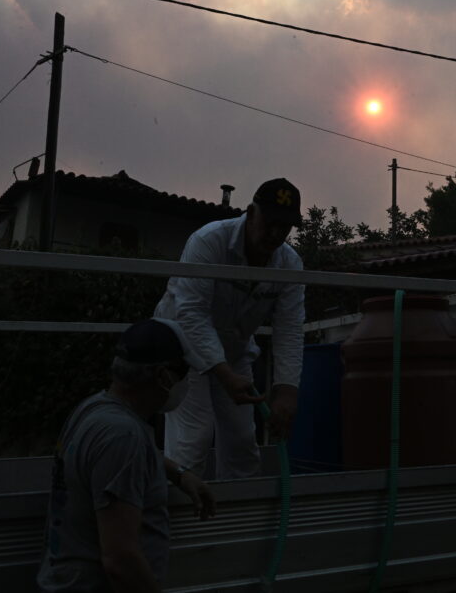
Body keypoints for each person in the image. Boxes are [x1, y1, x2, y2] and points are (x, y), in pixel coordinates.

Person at [37, 318, 217, 593]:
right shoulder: (122, 436)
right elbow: (120, 561)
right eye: (183, 373)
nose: (186, 383)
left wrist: (179, 474)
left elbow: (109, 463)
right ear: (162, 376)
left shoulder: (94, 409)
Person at [154, 177, 306, 479]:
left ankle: (236, 520)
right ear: (250, 213)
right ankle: (181, 519)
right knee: (193, 437)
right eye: (270, 222)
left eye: (285, 226)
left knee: (242, 442)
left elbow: (289, 327)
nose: (276, 234)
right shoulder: (209, 241)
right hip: (184, 349)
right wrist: (223, 374)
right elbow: (192, 314)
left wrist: (287, 391)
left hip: (235, 353)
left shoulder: (290, 264)